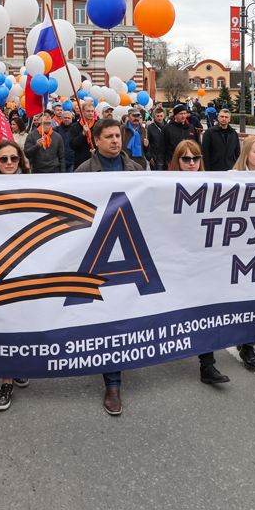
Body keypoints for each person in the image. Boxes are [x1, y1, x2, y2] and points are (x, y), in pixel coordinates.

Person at [75, 117, 143, 414]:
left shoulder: (137, 170)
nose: (116, 141)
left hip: (130, 250)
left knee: (125, 311)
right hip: (98, 251)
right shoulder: (82, 172)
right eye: (110, 136)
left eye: (118, 136)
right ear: (96, 140)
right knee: (107, 314)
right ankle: (112, 383)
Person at [165, 139, 233, 384]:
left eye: (196, 158)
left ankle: (207, 365)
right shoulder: (164, 186)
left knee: (205, 309)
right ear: (177, 161)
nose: (192, 163)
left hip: (203, 260)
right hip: (173, 260)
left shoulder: (213, 185)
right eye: (186, 159)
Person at [0, 139, 33, 410]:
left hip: (27, 262)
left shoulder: (32, 184)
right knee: (3, 322)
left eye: (14, 158)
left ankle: (18, 365)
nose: (10, 163)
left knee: (23, 320)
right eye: (4, 159)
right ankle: (6, 380)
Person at [227, 135, 255, 370]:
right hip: (235, 248)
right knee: (237, 297)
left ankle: (248, 345)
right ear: (246, 154)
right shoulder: (231, 178)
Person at [201, 107, 241, 171]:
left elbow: (237, 153)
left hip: (230, 170)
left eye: (226, 117)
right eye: (222, 116)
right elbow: (205, 153)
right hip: (214, 170)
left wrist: (236, 167)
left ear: (229, 119)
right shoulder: (209, 133)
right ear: (218, 118)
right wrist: (207, 170)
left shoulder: (234, 134)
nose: (224, 119)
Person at [146, 106, 170, 171]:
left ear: (164, 116)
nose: (159, 118)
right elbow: (147, 143)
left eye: (161, 116)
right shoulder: (150, 127)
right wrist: (149, 157)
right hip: (155, 157)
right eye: (158, 116)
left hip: (167, 157)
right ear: (154, 116)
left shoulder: (168, 126)